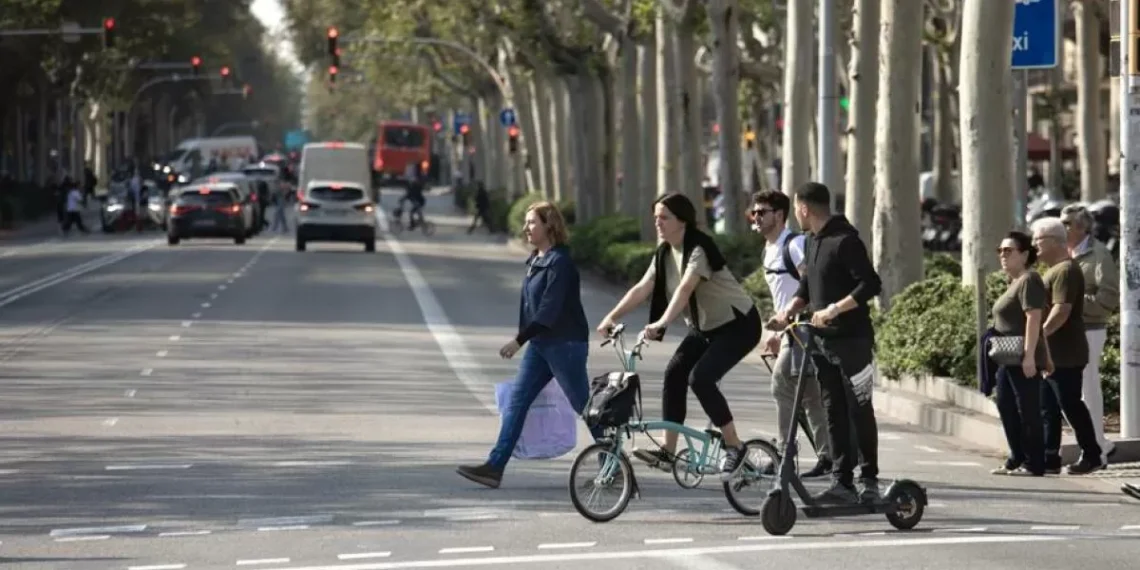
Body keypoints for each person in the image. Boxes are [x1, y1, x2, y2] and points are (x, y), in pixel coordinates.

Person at [597, 193, 762, 480]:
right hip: (706, 327)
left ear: (682, 221)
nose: (658, 223)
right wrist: (611, 316)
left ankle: (735, 447)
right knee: (674, 373)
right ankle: (668, 449)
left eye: (664, 217)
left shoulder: (699, 248)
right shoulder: (663, 252)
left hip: (738, 325)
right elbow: (642, 288)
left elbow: (686, 288)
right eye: (656, 218)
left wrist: (661, 322)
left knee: (701, 378)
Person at [456, 201, 602, 488]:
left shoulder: (560, 262)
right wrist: (527, 337)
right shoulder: (537, 259)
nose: (526, 228)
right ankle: (494, 467)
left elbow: (549, 309)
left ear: (550, 226)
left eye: (532, 222)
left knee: (584, 406)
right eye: (526, 223)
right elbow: (531, 309)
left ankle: (615, 466)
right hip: (541, 343)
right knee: (517, 402)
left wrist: (518, 340)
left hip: (564, 344)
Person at [768, 182, 882, 504]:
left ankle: (869, 480)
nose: (796, 215)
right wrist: (788, 312)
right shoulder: (812, 240)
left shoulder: (846, 241)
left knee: (859, 408)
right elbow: (807, 284)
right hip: (822, 343)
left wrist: (833, 309)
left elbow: (870, 284)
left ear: (804, 208)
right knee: (833, 409)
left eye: (796, 208)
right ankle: (841, 482)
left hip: (853, 340)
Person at [750, 190, 831, 478]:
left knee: (781, 384)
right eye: (754, 212)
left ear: (780, 215)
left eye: (763, 212)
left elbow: (812, 284)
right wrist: (778, 332)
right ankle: (829, 457)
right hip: (791, 331)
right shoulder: (769, 249)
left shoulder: (793, 244)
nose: (756, 217)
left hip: (805, 327)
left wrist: (790, 318)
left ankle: (784, 456)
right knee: (809, 396)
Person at [1030, 218, 1104, 474]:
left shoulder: (1065, 270)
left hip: (1066, 353)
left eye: (1037, 240)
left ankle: (1093, 454)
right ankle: (1050, 458)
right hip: (1051, 354)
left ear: (1052, 241)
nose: (1033, 245)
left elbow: (1062, 310)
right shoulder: (1053, 270)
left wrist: (1039, 335)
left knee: (1069, 404)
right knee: (1048, 407)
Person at [1059, 204, 1119, 464]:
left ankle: (1097, 447)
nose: (1062, 227)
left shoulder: (1099, 254)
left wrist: (1074, 303)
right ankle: (1097, 443)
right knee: (1071, 390)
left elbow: (1108, 297)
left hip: (1090, 330)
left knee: (1087, 389)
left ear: (1082, 227)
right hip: (1066, 330)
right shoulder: (1063, 254)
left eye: (1067, 223)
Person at [989, 231, 1048, 477]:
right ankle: (1017, 456)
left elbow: (1034, 319)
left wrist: (1029, 356)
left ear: (1024, 255)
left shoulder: (1029, 280)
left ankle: (1034, 462)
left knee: (1028, 408)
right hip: (1006, 356)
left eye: (1009, 251)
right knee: (1005, 404)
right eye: (1000, 250)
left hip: (1020, 354)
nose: (1003, 255)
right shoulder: (1012, 282)